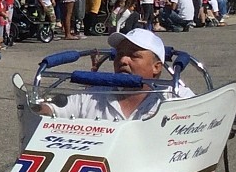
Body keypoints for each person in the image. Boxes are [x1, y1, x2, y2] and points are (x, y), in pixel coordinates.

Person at [40, 28, 194, 120]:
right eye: (119, 54)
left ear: (156, 67)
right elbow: (55, 109)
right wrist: (36, 109)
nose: (123, 60)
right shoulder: (94, 96)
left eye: (134, 55)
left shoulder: (178, 97)